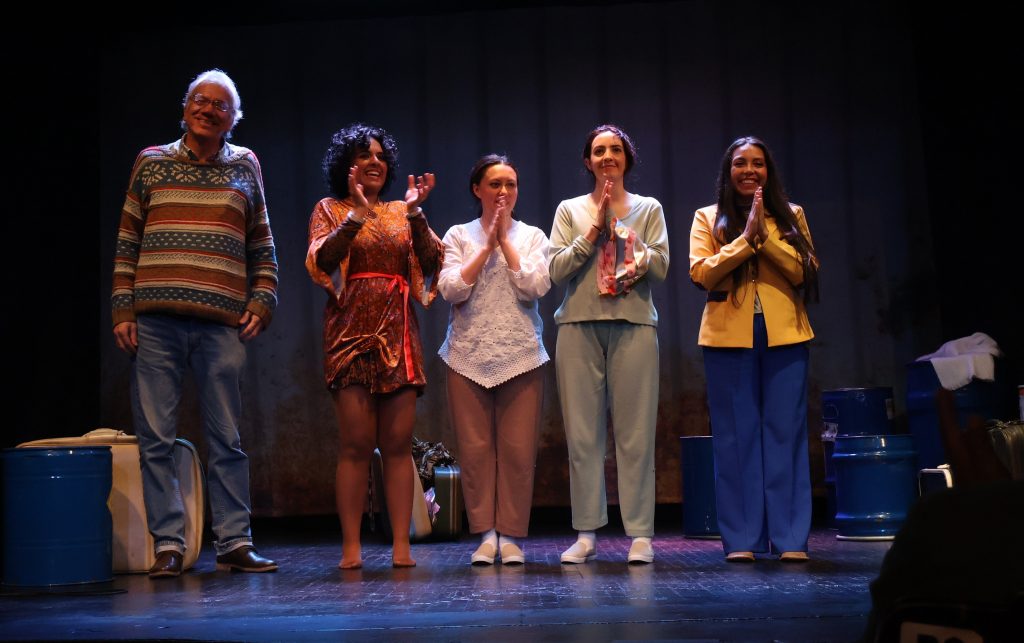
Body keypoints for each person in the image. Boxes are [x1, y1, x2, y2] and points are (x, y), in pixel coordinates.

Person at [112, 69, 279, 578]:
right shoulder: (151, 162)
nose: (208, 109)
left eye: (220, 105)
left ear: (234, 119)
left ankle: (233, 542)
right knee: (156, 438)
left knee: (226, 436)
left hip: (220, 325)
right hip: (156, 321)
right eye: (200, 101)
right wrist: (122, 307)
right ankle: (169, 545)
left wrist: (263, 300)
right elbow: (127, 241)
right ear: (185, 108)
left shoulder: (246, 166)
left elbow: (262, 246)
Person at [306, 123, 442, 569]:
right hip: (349, 333)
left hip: (398, 333)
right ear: (347, 166)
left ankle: (402, 545)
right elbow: (322, 260)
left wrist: (418, 213)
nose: (375, 162)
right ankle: (351, 546)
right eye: (364, 155)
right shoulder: (330, 208)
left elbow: (432, 262)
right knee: (356, 444)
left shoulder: (402, 212)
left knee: (399, 443)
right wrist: (355, 218)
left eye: (381, 156)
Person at [689, 136, 819, 563]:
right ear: (728, 172)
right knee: (735, 438)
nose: (750, 170)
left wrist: (768, 238)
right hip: (728, 338)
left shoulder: (792, 215)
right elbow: (702, 273)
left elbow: (805, 271)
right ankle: (742, 538)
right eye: (741, 163)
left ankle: (790, 539)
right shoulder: (707, 218)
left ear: (768, 171)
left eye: (758, 164)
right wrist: (745, 239)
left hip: (785, 335)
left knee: (786, 434)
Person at [549, 125, 670, 565]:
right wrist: (592, 232)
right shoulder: (569, 210)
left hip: (634, 324)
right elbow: (556, 270)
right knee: (583, 436)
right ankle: (586, 533)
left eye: (615, 149)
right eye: (598, 150)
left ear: (626, 159)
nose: (607, 157)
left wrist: (624, 235)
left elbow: (660, 267)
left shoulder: (648, 208)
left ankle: (640, 534)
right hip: (579, 326)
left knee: (636, 435)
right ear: (588, 161)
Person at [437, 155, 551, 566]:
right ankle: (486, 533)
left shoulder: (533, 235)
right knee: (475, 449)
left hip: (520, 354)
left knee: (519, 451)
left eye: (511, 184)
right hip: (466, 356)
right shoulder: (458, 235)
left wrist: (505, 241)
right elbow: (451, 289)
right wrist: (486, 246)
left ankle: (513, 535)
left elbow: (535, 286)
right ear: (477, 189)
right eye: (495, 184)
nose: (504, 192)